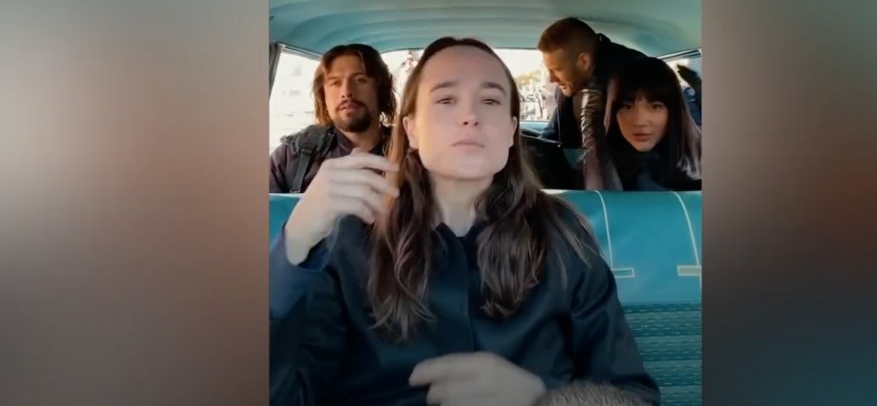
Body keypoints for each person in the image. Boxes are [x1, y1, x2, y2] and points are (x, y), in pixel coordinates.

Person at [269, 37, 659, 406]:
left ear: (511, 131)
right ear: (411, 129)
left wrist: (543, 399)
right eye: (446, 100)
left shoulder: (563, 235)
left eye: (489, 100)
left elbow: (632, 394)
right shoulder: (349, 237)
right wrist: (295, 243)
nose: (470, 116)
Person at [269, 43, 396, 193]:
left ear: (380, 89)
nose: (346, 92)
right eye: (335, 83)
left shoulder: (411, 152)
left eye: (360, 80)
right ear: (323, 95)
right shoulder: (292, 155)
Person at [536, 17, 646, 149]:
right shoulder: (572, 83)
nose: (551, 79)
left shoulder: (636, 75)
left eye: (557, 70)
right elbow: (554, 132)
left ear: (584, 61)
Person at [604, 57, 701, 191]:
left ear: (673, 112)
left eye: (655, 107)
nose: (640, 122)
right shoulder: (597, 169)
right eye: (627, 107)